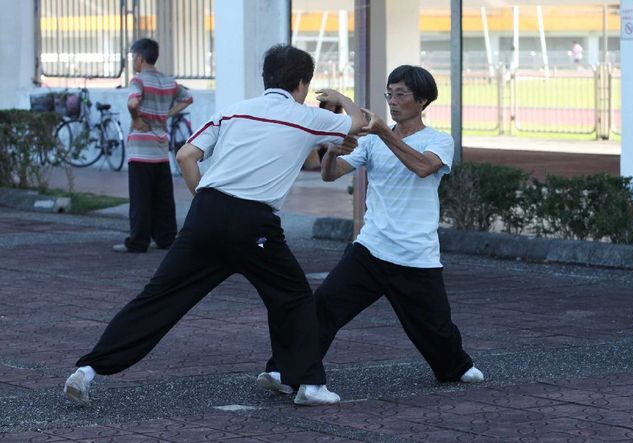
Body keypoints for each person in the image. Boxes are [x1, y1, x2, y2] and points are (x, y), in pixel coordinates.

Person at [63, 44, 366, 406]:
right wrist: (340, 97)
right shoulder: (306, 117)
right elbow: (365, 122)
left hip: (206, 213)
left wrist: (203, 202)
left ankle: (89, 370)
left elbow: (186, 156)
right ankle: (309, 385)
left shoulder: (233, 111)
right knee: (293, 297)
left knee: (158, 299)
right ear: (302, 83)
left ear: (265, 77)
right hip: (255, 223)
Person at [256, 65, 483, 395]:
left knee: (434, 329)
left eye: (401, 94)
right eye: (390, 93)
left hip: (416, 254)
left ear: (422, 101)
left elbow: (423, 167)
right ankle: (285, 372)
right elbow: (329, 175)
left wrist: (382, 133)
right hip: (371, 248)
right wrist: (332, 151)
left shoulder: (438, 140)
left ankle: (456, 366)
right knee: (323, 308)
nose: (393, 101)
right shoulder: (373, 140)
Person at [113, 38, 193, 253]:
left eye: (133, 57)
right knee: (163, 197)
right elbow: (187, 98)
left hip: (140, 148)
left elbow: (132, 102)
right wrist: (167, 114)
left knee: (141, 197)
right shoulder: (168, 82)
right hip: (160, 147)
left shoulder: (138, 81)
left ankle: (139, 241)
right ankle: (166, 238)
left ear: (139, 58)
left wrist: (137, 118)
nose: (133, 62)